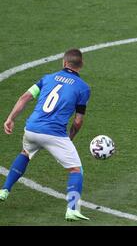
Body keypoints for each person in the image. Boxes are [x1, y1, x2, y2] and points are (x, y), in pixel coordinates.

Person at [0, 49, 91, 221]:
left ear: (64, 63)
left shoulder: (47, 78)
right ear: (81, 65)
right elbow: (78, 121)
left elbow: (25, 97)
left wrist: (10, 118)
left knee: (25, 153)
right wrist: (70, 137)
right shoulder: (83, 88)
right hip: (54, 134)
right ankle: (72, 209)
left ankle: (4, 190)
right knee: (75, 169)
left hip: (32, 129)